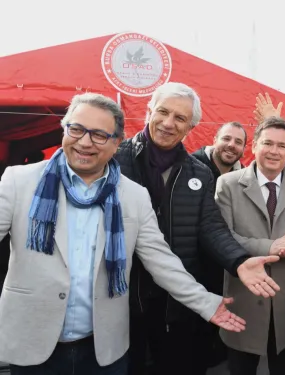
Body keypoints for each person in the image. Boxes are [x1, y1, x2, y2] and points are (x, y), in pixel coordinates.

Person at [0, 93, 249, 374]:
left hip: (103, 349)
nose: (84, 142)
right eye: (77, 129)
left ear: (116, 142)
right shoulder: (18, 182)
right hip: (33, 342)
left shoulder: (133, 195)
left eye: (99, 135)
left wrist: (207, 303)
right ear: (64, 129)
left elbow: (161, 260)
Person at [115, 82, 279, 375]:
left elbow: (211, 227)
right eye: (163, 112)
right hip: (121, 298)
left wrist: (239, 261)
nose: (168, 123)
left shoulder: (199, 173)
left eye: (180, 118)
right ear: (148, 111)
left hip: (176, 301)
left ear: (191, 126)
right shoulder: (115, 160)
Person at [215, 116, 285, 375]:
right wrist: (270, 246)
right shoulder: (228, 184)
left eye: (282, 146)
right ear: (254, 146)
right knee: (241, 367)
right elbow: (222, 237)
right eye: (268, 143)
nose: (274, 151)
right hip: (243, 300)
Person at [191, 121, 247, 367]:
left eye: (238, 141)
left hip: (227, 261)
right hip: (194, 262)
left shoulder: (243, 175)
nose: (231, 145)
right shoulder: (191, 166)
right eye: (227, 138)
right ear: (214, 138)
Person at [192, 121, 246, 189]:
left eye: (238, 142)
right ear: (215, 141)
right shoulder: (189, 167)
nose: (231, 145)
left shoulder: (245, 179)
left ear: (244, 149)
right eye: (226, 139)